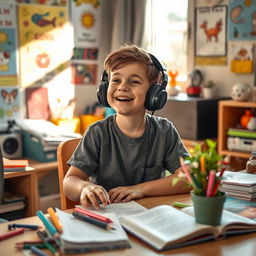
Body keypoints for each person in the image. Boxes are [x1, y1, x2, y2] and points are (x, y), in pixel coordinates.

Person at [63, 44, 190, 210]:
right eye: (116, 80)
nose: (122, 87)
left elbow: (189, 178)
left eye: (134, 81)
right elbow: (69, 182)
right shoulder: (97, 133)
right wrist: (84, 187)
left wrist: (140, 190)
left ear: (154, 94)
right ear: (104, 88)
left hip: (150, 215)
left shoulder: (164, 131)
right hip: (110, 218)